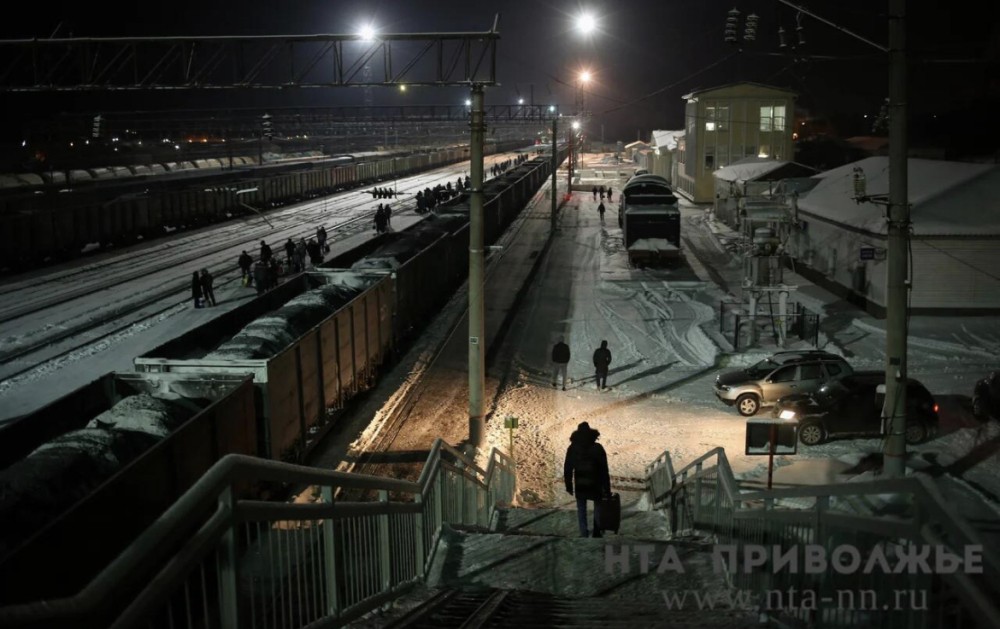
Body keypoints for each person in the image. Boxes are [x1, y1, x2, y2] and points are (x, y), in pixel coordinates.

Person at [564, 421, 611, 538]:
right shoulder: (597, 448)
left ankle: (583, 532)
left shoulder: (573, 448)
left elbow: (568, 468)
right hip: (596, 483)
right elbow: (604, 469)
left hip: (580, 483)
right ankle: (597, 531)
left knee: (581, 508)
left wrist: (569, 485)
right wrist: (607, 487)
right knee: (598, 507)